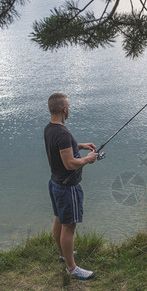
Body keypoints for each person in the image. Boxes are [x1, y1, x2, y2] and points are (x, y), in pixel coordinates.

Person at [44, 93, 98, 280]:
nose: (69, 108)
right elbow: (69, 163)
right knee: (69, 226)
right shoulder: (63, 133)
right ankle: (71, 268)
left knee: (59, 219)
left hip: (55, 183)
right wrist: (88, 159)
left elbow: (61, 149)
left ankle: (63, 255)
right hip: (67, 188)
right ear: (64, 109)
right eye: (69, 105)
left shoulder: (50, 128)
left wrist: (80, 145)